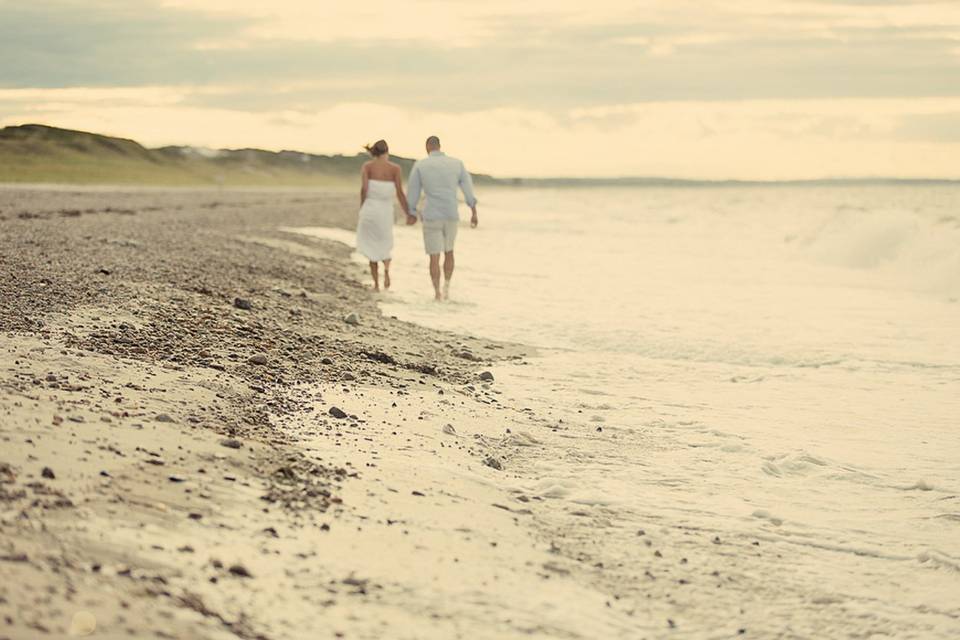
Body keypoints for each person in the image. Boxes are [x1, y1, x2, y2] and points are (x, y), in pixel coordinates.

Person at [405, 136, 478, 301]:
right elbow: (467, 188)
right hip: (451, 213)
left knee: (434, 255)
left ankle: (437, 292)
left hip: (431, 214)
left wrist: (411, 212)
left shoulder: (421, 165)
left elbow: (413, 191)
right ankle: (447, 288)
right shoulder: (456, 163)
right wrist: (473, 210)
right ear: (440, 146)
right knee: (449, 251)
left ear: (427, 147)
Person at [356, 139, 412, 291]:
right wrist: (408, 213)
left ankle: (376, 284)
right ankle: (387, 270)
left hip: (370, 209)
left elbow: (364, 189)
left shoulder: (367, 166)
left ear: (374, 152)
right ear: (387, 152)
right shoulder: (395, 168)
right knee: (384, 244)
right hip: (385, 211)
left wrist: (363, 207)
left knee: (371, 247)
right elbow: (400, 193)